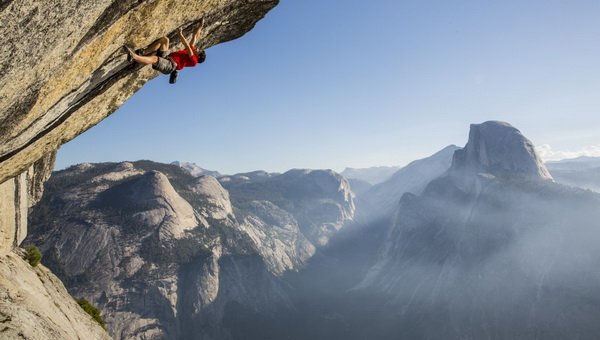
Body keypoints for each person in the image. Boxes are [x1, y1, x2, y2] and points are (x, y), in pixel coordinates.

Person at [125, 19, 206, 82]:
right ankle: (142, 52)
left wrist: (180, 34)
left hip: (170, 66)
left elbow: (187, 45)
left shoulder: (194, 61)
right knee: (165, 40)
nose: (197, 49)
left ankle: (134, 57)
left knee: (155, 59)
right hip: (167, 58)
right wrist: (201, 25)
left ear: (198, 56)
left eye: (199, 51)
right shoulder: (191, 51)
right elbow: (195, 36)